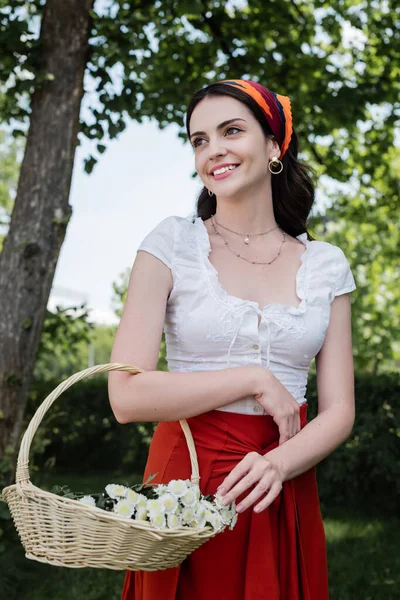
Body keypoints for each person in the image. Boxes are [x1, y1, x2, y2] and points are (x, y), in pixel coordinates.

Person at [108, 79, 356, 600]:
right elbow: (125, 396)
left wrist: (278, 465)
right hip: (185, 477)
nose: (213, 149)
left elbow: (339, 410)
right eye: (199, 139)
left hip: (280, 477)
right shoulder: (171, 244)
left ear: (273, 146)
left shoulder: (326, 265)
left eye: (232, 131)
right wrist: (253, 378)